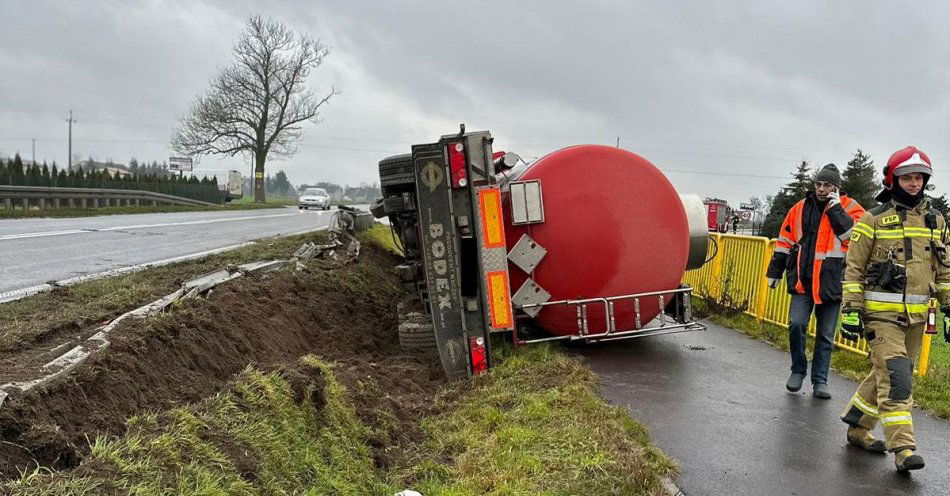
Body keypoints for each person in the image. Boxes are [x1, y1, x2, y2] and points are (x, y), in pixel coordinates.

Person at [838, 146, 948, 472]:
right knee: (898, 379)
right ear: (893, 179)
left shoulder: (936, 220)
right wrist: (850, 310)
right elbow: (854, 270)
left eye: (919, 177)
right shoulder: (873, 219)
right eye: (907, 177)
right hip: (880, 317)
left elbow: (944, 270)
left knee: (886, 374)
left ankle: (858, 427)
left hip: (915, 317)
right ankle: (903, 448)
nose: (913, 183)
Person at [765, 164, 866, 399]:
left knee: (825, 335)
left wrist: (835, 209)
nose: (821, 189)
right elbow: (784, 241)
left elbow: (852, 238)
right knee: (797, 324)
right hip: (803, 282)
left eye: (827, 185)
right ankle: (798, 369)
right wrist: (775, 272)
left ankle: (820, 381)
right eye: (818, 184)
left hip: (831, 283)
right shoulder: (799, 208)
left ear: (837, 187)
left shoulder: (852, 208)